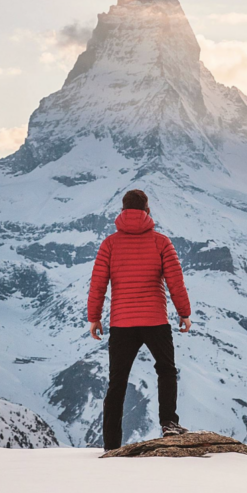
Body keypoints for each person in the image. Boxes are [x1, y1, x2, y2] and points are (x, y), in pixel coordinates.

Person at [88, 189, 192, 451]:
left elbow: (98, 284)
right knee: (166, 370)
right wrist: (184, 313)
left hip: (122, 323)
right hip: (155, 320)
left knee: (117, 381)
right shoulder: (161, 242)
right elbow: (175, 282)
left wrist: (94, 318)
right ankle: (169, 423)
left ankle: (111, 444)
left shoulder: (109, 244)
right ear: (147, 210)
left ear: (122, 210)